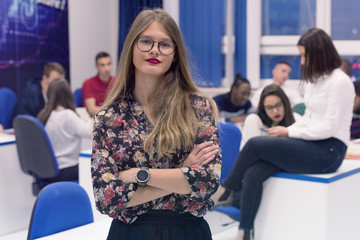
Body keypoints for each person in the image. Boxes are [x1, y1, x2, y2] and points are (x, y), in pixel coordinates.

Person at [91, 8, 221, 240]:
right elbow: (107, 199)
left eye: (164, 44)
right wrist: (183, 171)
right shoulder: (108, 118)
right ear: (131, 47)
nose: (154, 50)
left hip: (188, 231)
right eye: (146, 41)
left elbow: (207, 181)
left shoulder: (199, 108)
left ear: (174, 54)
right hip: (131, 233)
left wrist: (140, 175)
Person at [214, 28, 355, 240]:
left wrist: (288, 131)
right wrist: (290, 132)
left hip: (329, 151)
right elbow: (308, 119)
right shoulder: (316, 82)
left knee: (255, 145)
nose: (302, 61)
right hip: (312, 145)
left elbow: (327, 128)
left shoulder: (340, 82)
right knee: (255, 171)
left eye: (304, 55)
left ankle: (225, 190)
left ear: (318, 53)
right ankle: (245, 231)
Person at [37, 78, 92, 182]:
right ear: (68, 94)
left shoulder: (44, 115)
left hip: (49, 169)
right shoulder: (68, 115)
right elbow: (91, 133)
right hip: (67, 168)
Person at [240, 84, 296, 149]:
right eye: (269, 107)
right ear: (263, 109)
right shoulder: (255, 121)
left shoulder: (296, 120)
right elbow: (249, 153)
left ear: (285, 104)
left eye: (278, 105)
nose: (275, 111)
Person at [82, 51, 115, 116]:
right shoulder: (89, 83)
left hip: (114, 118)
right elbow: (92, 110)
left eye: (109, 64)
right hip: (96, 118)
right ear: (96, 66)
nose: (107, 68)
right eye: (102, 65)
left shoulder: (116, 81)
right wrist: (113, 110)